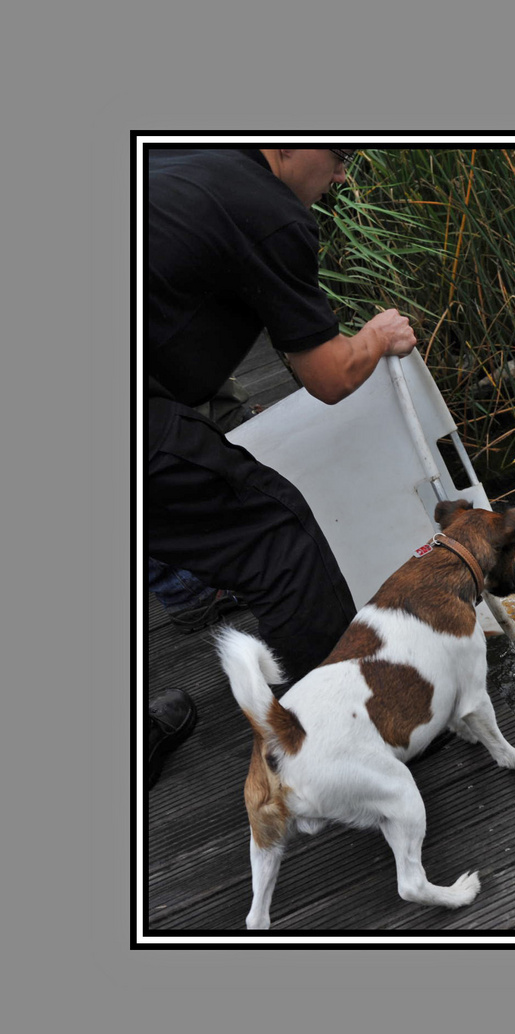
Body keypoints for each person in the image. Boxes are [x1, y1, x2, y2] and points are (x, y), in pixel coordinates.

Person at [145, 147, 417, 787]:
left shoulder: (178, 161)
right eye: (342, 155)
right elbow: (327, 377)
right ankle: (349, 737)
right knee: (275, 534)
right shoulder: (269, 211)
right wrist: (376, 335)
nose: (345, 176)